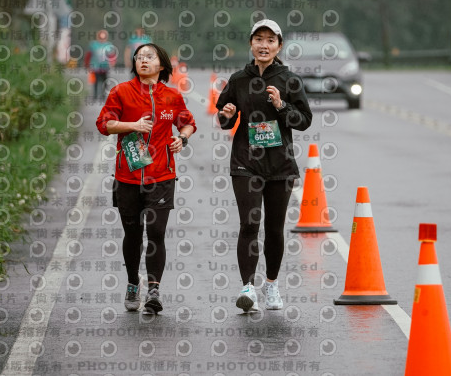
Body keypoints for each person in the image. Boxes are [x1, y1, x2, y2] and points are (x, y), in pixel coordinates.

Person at [216, 19, 313, 312]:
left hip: (280, 164)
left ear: (279, 46)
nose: (264, 45)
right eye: (259, 39)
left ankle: (271, 285)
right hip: (245, 162)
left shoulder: (290, 80)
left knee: (274, 228)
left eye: (271, 40)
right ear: (251, 43)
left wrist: (282, 105)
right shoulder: (238, 79)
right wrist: (227, 115)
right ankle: (248, 288)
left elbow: (304, 121)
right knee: (249, 223)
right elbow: (224, 118)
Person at [96, 43, 196, 313]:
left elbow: (188, 122)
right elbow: (104, 124)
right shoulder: (121, 92)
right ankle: (132, 282)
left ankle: (154, 290)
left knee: (156, 232)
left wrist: (182, 138)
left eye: (149, 57)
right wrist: (133, 125)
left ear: (161, 64)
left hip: (161, 175)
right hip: (127, 177)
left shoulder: (172, 96)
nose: (143, 61)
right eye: (139, 57)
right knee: (132, 234)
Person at [85, 29, 115, 101]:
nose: (102, 39)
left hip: (105, 66)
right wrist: (87, 64)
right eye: (101, 37)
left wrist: (112, 62)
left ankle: (103, 95)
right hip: (95, 66)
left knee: (105, 81)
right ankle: (95, 95)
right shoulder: (93, 45)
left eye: (104, 37)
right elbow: (89, 55)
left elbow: (111, 55)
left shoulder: (108, 45)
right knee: (96, 81)